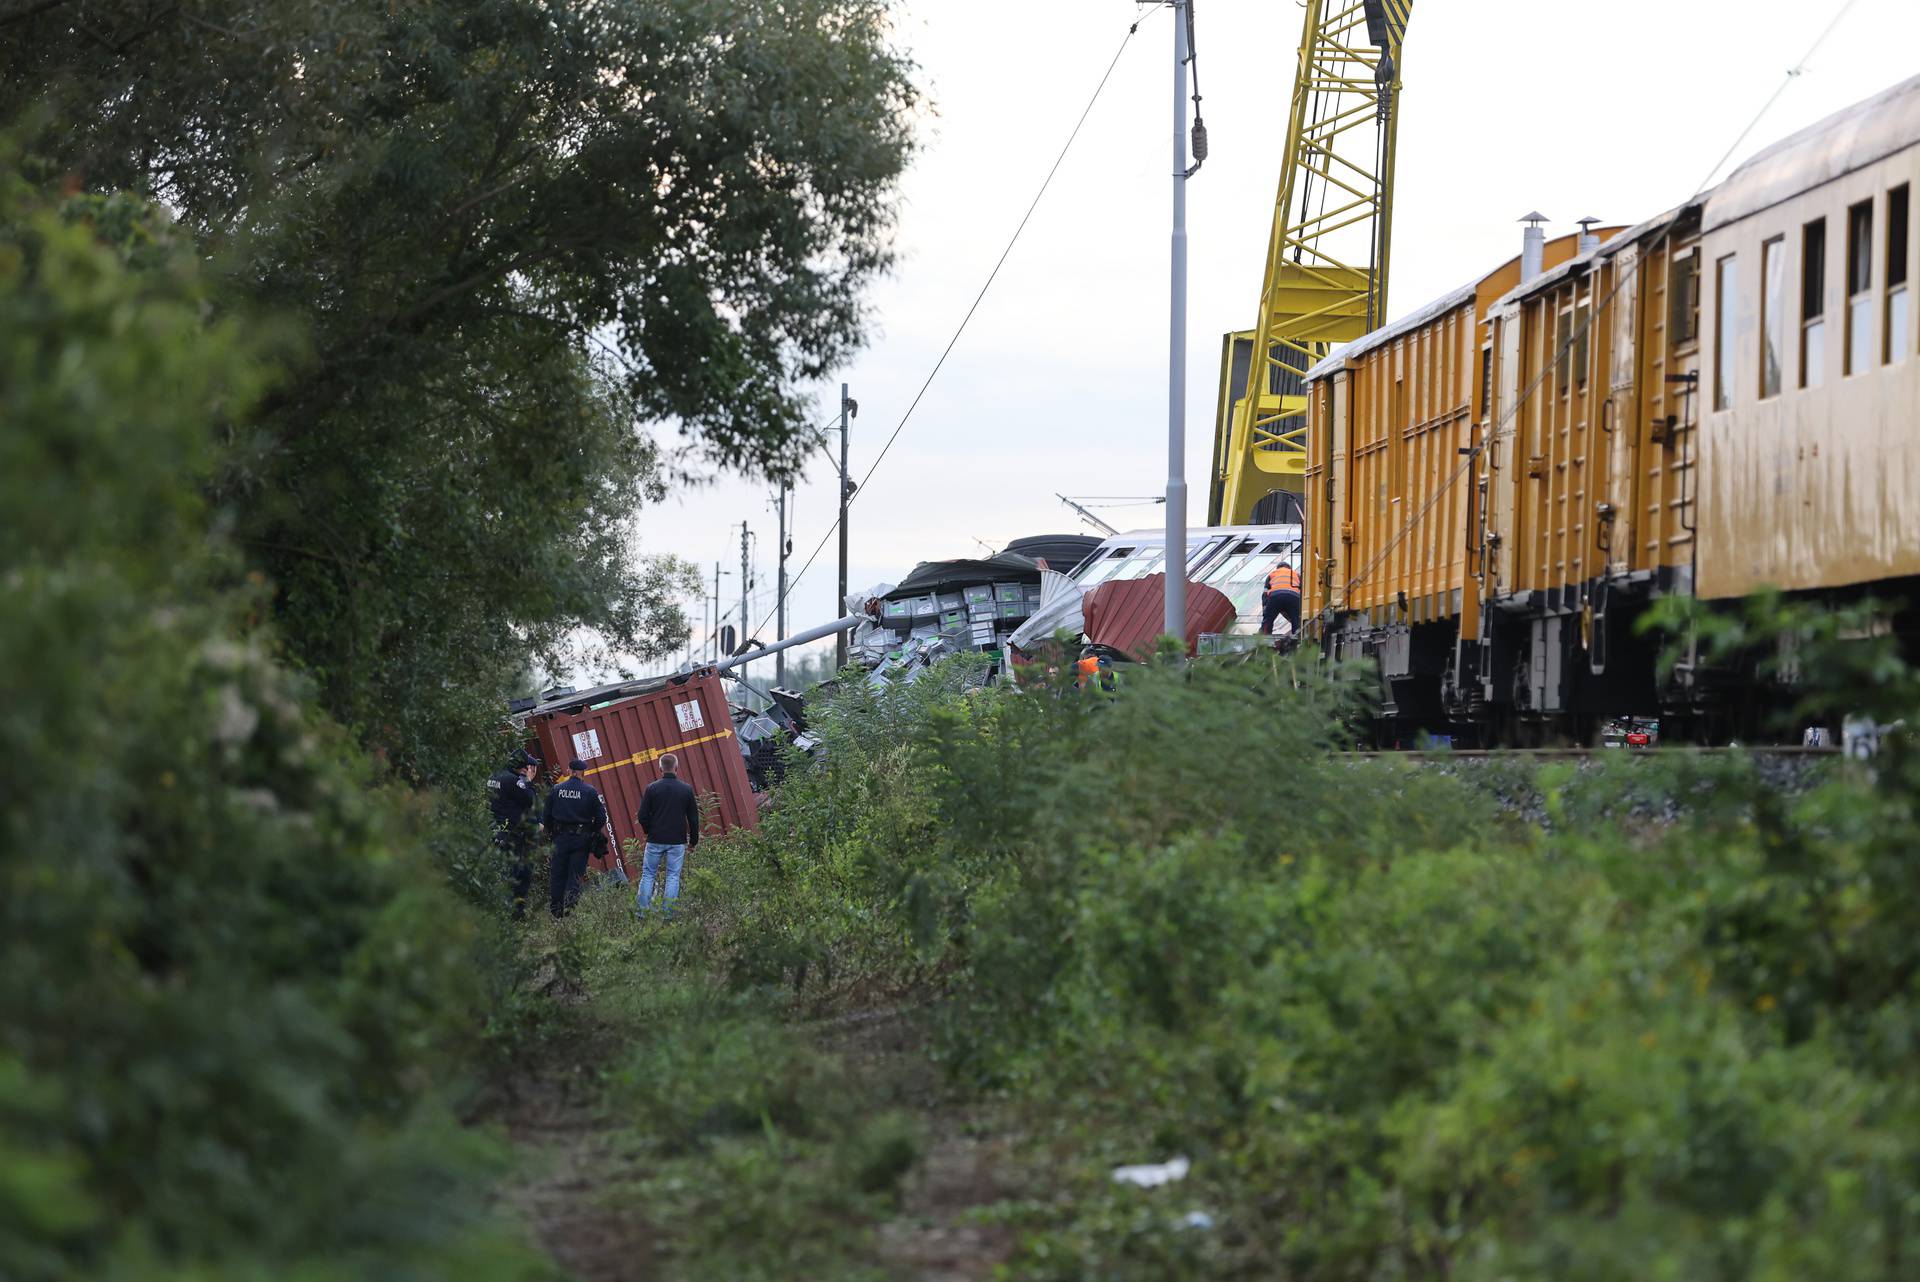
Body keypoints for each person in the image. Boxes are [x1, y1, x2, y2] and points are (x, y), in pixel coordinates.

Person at [635, 751, 701, 921]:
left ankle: (642, 914)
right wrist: (693, 841)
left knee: (648, 875)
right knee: (673, 876)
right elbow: (693, 818)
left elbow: (642, 816)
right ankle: (668, 915)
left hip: (655, 839)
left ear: (660, 769)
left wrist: (649, 831)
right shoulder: (686, 789)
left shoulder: (652, 789)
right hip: (677, 841)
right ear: (676, 768)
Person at [542, 758, 608, 918]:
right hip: (581, 840)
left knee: (558, 874)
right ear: (583, 773)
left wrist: (552, 832)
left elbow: (546, 816)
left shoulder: (557, 789)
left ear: (569, 771)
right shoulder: (590, 791)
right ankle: (569, 910)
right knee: (574, 875)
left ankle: (556, 912)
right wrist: (592, 830)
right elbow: (601, 817)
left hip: (560, 839)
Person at [486, 748, 541, 919]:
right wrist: (529, 782)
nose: (528, 769)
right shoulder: (514, 781)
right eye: (526, 766)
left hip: (498, 831)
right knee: (517, 874)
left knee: (507, 872)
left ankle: (508, 912)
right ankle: (513, 914)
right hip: (513, 835)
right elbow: (532, 800)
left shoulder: (494, 776)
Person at [1261, 559, 1302, 637]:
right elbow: (1302, 591)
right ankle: (1297, 637)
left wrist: (1265, 610)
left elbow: (1265, 594)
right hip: (1293, 597)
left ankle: (1264, 637)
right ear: (1289, 568)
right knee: (1296, 620)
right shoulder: (1296, 574)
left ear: (1278, 568)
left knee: (1268, 619)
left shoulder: (1272, 574)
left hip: (1275, 597)